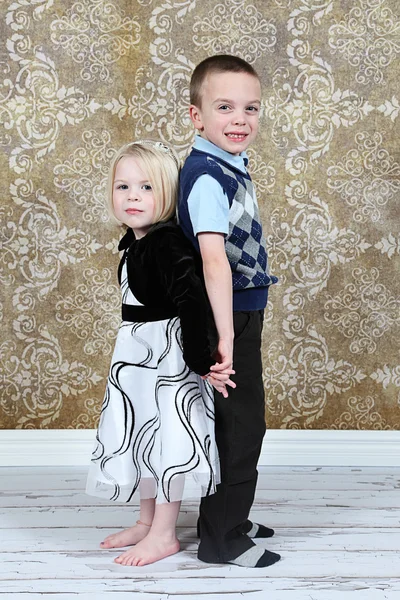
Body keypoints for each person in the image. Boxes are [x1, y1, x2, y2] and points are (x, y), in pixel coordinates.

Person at [86, 139, 235, 567]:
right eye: (123, 187)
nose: (133, 196)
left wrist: (200, 360)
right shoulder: (136, 242)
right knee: (143, 440)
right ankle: (146, 520)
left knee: (168, 440)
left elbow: (190, 299)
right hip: (139, 357)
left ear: (168, 194)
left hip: (166, 359)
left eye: (147, 188)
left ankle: (165, 533)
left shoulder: (166, 242)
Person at [178, 55, 281, 568]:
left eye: (250, 108)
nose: (240, 119)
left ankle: (227, 518)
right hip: (229, 318)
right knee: (240, 428)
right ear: (197, 117)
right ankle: (222, 540)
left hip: (237, 313)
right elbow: (214, 261)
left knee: (234, 423)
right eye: (225, 107)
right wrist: (225, 337)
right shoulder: (206, 177)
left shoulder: (225, 166)